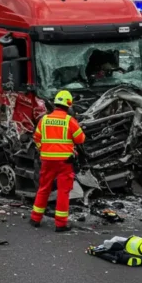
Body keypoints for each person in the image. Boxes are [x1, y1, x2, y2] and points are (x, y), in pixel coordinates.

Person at [30, 90, 87, 232]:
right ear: (69, 105)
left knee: (43, 189)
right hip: (64, 162)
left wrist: (43, 149)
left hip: (47, 161)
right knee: (63, 192)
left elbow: (36, 138)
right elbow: (81, 139)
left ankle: (35, 218)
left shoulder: (44, 120)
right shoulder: (69, 121)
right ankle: (60, 224)